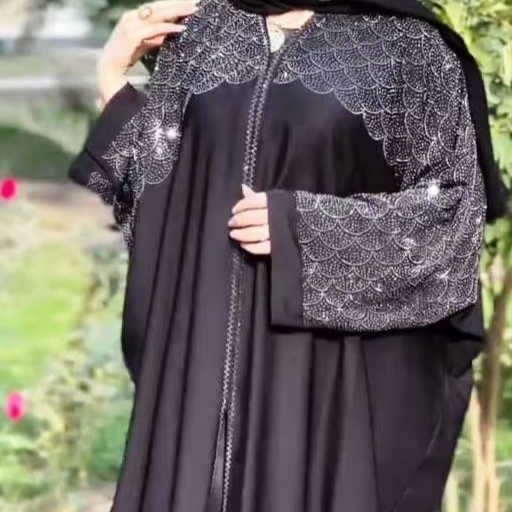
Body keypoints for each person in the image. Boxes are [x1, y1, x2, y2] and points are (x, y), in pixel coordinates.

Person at [68, 0, 509, 510]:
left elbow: (452, 213)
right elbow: (162, 193)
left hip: (323, 383)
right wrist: (112, 78)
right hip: (198, 373)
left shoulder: (409, 47)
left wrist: (304, 229)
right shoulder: (206, 31)